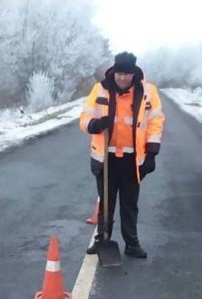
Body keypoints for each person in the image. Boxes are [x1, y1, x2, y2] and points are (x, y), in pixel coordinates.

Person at [80, 51, 164, 258]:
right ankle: (103, 239)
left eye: (126, 73)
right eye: (119, 73)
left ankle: (132, 243)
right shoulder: (100, 89)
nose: (122, 78)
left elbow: (155, 122)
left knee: (129, 204)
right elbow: (84, 117)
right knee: (106, 203)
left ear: (133, 74)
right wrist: (96, 124)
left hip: (132, 159)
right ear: (114, 72)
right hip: (105, 158)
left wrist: (152, 153)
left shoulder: (147, 92)